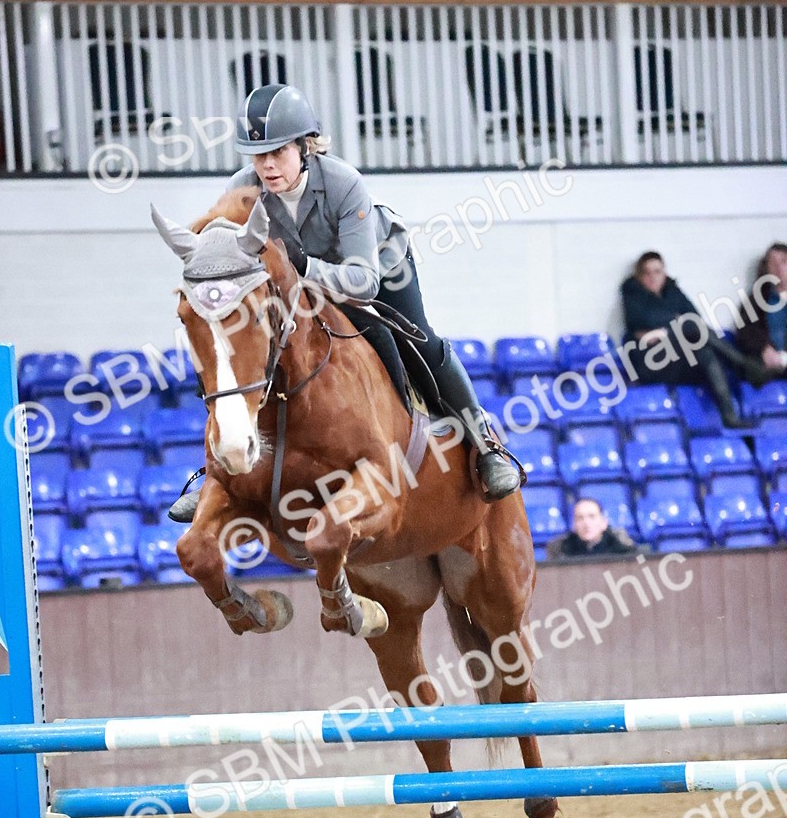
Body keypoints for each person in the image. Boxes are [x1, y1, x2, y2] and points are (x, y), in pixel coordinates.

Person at [170, 83, 520, 521]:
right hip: (297, 289)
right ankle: (211, 473)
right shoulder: (243, 190)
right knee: (237, 350)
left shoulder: (342, 182)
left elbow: (363, 282)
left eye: (278, 152)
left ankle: (485, 446)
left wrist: (304, 267)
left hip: (378, 269)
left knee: (421, 341)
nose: (267, 165)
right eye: (258, 156)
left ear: (305, 146)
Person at [621, 251, 773, 429]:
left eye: (657, 272)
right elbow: (641, 320)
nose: (652, 277)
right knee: (690, 328)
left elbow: (695, 317)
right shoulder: (632, 294)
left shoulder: (673, 292)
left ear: (664, 273)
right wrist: (676, 323)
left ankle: (729, 417)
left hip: (677, 360)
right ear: (639, 276)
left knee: (704, 352)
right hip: (650, 364)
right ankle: (743, 365)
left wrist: (663, 331)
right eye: (647, 273)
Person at [735, 242, 787, 378]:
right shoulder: (757, 299)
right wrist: (764, 349)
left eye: (783, 261)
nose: (779, 268)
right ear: (767, 268)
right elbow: (745, 329)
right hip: (768, 362)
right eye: (773, 263)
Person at [546, 498, 638, 560]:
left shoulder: (622, 547)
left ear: (604, 523)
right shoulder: (561, 550)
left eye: (592, 516)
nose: (586, 523)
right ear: (574, 525)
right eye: (580, 518)